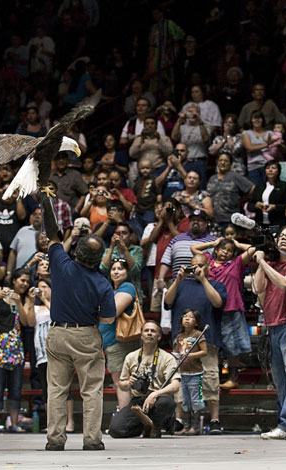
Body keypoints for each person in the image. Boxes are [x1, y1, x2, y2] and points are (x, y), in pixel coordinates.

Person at [39, 191, 116, 451]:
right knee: (91, 389)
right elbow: (108, 317)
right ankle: (92, 440)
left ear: (77, 251)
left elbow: (52, 233)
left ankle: (55, 440)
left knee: (57, 389)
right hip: (86, 335)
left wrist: (46, 200)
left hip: (58, 333)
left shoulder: (61, 263)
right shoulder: (103, 283)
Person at [164, 254, 227, 434]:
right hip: (182, 342)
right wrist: (177, 280)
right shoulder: (181, 285)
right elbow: (167, 301)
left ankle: (214, 420)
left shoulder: (216, 285)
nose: (196, 269)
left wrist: (204, 280)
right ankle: (179, 419)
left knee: (210, 379)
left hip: (207, 340)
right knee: (181, 380)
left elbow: (218, 302)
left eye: (200, 265)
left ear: (208, 266)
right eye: (193, 266)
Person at [191, 237, 255, 389]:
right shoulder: (208, 263)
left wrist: (237, 243)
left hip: (230, 309)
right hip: (211, 309)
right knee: (214, 343)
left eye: (230, 250)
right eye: (223, 248)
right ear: (216, 250)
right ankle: (217, 377)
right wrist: (213, 243)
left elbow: (253, 249)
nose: (226, 252)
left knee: (233, 345)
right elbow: (194, 248)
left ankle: (233, 377)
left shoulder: (236, 263)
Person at [109, 320, 181, 439]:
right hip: (138, 401)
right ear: (141, 335)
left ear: (159, 337)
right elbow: (122, 384)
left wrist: (156, 394)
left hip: (158, 399)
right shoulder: (131, 357)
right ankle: (144, 425)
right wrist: (129, 383)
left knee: (167, 402)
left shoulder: (167, 358)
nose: (149, 333)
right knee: (115, 430)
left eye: (153, 331)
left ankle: (157, 426)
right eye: (146, 331)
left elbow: (175, 385)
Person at [254, 227, 286, 441]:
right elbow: (259, 288)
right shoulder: (272, 264)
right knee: (279, 380)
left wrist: (263, 263)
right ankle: (284, 423)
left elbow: (285, 283)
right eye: (281, 236)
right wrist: (262, 261)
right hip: (273, 325)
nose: (283, 238)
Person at [25, 277, 75, 433]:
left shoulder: (59, 304)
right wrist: (32, 300)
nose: (42, 290)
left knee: (64, 387)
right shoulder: (35, 307)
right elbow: (30, 322)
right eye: (39, 287)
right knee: (47, 390)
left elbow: (57, 316)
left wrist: (45, 299)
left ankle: (70, 422)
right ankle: (52, 423)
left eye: (45, 287)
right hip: (41, 352)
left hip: (59, 350)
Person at [0, 268, 30, 433]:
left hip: (16, 350)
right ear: (14, 280)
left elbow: (25, 322)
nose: (24, 284)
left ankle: (15, 423)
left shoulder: (22, 298)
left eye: (27, 281)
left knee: (15, 388)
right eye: (22, 280)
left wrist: (18, 303)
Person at [99, 259, 140, 409]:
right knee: (122, 382)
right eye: (113, 269)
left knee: (122, 382)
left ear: (127, 273)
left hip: (120, 344)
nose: (116, 271)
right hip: (111, 342)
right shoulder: (114, 290)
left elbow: (113, 311)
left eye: (120, 269)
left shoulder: (127, 287)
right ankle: (127, 417)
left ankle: (125, 419)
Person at [158, 209, 216, 291]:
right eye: (193, 220)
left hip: (203, 288)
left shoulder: (213, 241)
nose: (195, 222)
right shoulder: (177, 239)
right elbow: (166, 261)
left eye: (199, 220)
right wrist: (160, 279)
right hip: (178, 287)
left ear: (206, 224)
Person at [173, 309, 207, 435]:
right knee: (185, 400)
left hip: (195, 373)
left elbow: (204, 351)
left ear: (196, 322)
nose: (187, 319)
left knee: (195, 399)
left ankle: (195, 426)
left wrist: (190, 355)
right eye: (185, 316)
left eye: (191, 317)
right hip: (183, 372)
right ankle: (186, 426)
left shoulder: (198, 334)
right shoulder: (179, 336)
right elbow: (177, 351)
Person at [206, 153, 254, 230]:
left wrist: (243, 200)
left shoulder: (235, 176)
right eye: (220, 160)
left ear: (231, 164)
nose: (222, 163)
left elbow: (252, 188)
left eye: (226, 161)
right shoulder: (212, 178)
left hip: (230, 218)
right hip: (213, 219)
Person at [100, 222, 143, 305]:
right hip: (113, 294)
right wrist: (112, 247)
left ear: (131, 236)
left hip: (133, 295)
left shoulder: (137, 250)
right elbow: (103, 269)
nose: (121, 236)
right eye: (118, 233)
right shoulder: (108, 251)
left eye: (124, 233)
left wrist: (124, 249)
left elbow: (135, 270)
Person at [171, 103, 210, 188]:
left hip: (199, 161)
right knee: (184, 185)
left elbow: (206, 138)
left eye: (194, 112)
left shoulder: (205, 126)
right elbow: (174, 137)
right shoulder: (183, 127)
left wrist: (199, 120)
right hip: (185, 161)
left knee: (200, 186)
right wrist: (179, 120)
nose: (192, 114)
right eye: (189, 112)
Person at [248, 160, 286, 229]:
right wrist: (256, 205)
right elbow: (249, 205)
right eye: (268, 168)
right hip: (260, 223)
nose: (270, 170)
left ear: (278, 171)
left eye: (273, 168)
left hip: (278, 222)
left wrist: (275, 207)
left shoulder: (285, 186)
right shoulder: (259, 187)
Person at [6, 207, 43, 275]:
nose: (37, 217)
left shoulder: (48, 234)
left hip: (37, 275)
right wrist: (8, 272)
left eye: (40, 214)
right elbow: (13, 252)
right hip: (19, 274)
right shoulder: (23, 230)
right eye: (35, 214)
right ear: (31, 217)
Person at [242, 111, 274, 185]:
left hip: (268, 166)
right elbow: (249, 148)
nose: (257, 120)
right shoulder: (246, 133)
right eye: (254, 118)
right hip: (253, 167)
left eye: (259, 118)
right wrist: (267, 144)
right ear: (251, 120)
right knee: (256, 191)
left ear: (262, 120)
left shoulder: (270, 133)